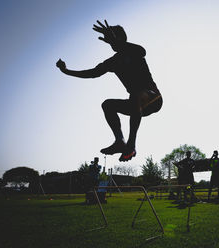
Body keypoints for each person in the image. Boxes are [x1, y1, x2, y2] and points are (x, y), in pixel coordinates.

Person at [56, 20, 162, 161]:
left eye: (112, 40)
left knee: (136, 94)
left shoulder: (134, 52)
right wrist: (66, 71)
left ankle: (131, 145)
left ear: (120, 40)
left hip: (153, 98)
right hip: (137, 105)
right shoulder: (113, 62)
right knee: (108, 104)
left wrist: (116, 41)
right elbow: (92, 73)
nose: (110, 43)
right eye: (109, 40)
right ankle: (119, 141)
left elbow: (143, 51)